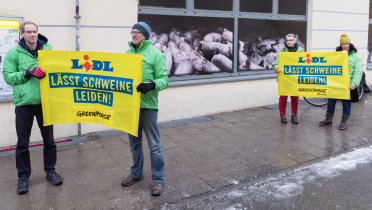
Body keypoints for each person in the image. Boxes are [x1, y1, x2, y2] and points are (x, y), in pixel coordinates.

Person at [3, 21, 63, 194]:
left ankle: (50, 171)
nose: (32, 35)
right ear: (22, 34)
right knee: (22, 143)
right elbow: (7, 76)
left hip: (45, 103)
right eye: (28, 32)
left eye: (34, 31)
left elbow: (61, 70)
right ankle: (23, 177)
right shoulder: (14, 53)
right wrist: (26, 73)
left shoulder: (48, 51)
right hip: (24, 105)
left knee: (49, 141)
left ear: (38, 33)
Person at [121, 21, 169, 196]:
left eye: (137, 32)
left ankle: (158, 180)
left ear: (146, 35)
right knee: (134, 144)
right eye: (132, 32)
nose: (133, 35)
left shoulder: (156, 54)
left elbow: (165, 80)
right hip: (130, 107)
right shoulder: (126, 54)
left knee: (154, 145)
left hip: (148, 106)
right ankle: (136, 174)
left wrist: (152, 84)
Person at [319, 34, 363, 130]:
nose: (345, 46)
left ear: (350, 44)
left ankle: (344, 121)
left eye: (347, 43)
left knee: (346, 102)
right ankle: (328, 119)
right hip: (336, 83)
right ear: (340, 45)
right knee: (331, 101)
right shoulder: (336, 55)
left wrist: (354, 84)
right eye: (343, 44)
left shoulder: (356, 57)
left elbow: (358, 72)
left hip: (348, 84)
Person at [274, 34, 304, 124]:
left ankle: (294, 114)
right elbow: (276, 64)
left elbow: (304, 64)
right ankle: (282, 114)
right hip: (284, 78)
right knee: (283, 97)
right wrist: (276, 68)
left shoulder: (301, 51)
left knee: (295, 97)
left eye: (291, 40)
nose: (289, 42)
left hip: (295, 78)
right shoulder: (282, 51)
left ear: (295, 41)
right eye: (287, 40)